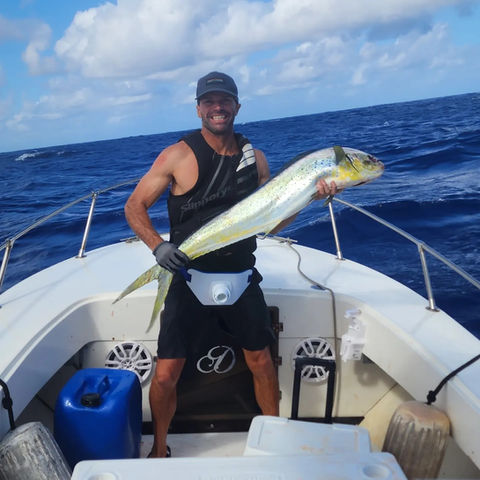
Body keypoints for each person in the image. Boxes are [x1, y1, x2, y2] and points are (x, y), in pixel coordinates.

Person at [124, 71, 339, 458]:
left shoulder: (255, 158)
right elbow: (134, 206)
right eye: (209, 102)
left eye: (224, 101)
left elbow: (272, 220)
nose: (217, 108)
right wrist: (158, 248)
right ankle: (158, 447)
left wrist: (309, 195)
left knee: (261, 363)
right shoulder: (177, 155)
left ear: (237, 106)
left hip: (240, 276)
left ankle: (272, 441)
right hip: (186, 276)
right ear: (198, 109)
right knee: (167, 372)